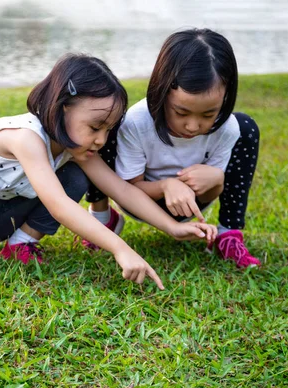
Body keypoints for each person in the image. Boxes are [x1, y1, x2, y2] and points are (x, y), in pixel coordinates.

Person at [0, 53, 217, 288]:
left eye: (108, 130)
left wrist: (172, 227)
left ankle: (21, 244)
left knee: (75, 176)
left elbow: (121, 190)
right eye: (95, 127)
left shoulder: (74, 148)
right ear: (62, 107)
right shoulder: (25, 137)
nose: (101, 140)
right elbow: (59, 206)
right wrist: (120, 249)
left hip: (6, 216)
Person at [85, 29, 261, 269]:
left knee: (247, 127)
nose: (192, 126)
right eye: (181, 112)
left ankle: (227, 235)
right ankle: (102, 219)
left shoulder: (227, 128)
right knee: (104, 128)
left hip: (192, 204)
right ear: (162, 90)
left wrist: (218, 180)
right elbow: (128, 188)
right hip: (136, 198)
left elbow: (209, 193)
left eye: (209, 114)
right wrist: (166, 185)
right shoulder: (137, 121)